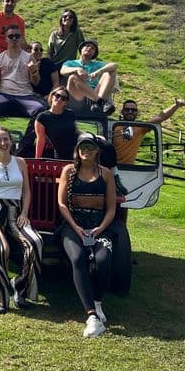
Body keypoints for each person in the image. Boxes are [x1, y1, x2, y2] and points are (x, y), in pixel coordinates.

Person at [0, 127, 43, 314]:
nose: (3, 143)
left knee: (35, 242)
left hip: (16, 211)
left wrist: (25, 213)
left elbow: (27, 190)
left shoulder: (20, 162)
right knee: (2, 248)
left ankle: (20, 286)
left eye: (6, 139)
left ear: (11, 142)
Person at [57, 133, 116, 338]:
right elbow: (62, 203)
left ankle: (98, 302)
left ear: (97, 150)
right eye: (82, 147)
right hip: (72, 226)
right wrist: (75, 226)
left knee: (103, 259)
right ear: (77, 150)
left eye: (90, 147)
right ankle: (91, 316)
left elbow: (111, 207)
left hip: (99, 225)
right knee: (77, 258)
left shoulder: (106, 174)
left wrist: (100, 228)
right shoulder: (69, 171)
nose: (86, 151)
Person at [0, 26, 46, 130]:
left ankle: (25, 144)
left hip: (25, 94)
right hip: (4, 93)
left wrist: (33, 72)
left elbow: (36, 82)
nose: (14, 39)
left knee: (41, 110)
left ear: (21, 38)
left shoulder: (29, 57)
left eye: (17, 36)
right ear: (6, 39)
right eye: (11, 36)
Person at [113, 98, 185, 164]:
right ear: (121, 111)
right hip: (110, 167)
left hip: (129, 169)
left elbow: (161, 117)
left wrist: (175, 106)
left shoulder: (140, 128)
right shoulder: (113, 127)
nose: (130, 112)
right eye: (127, 109)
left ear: (137, 112)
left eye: (133, 110)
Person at [60, 39, 118, 115]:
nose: (89, 48)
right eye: (87, 46)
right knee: (73, 76)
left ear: (95, 53)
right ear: (81, 49)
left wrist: (99, 71)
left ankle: (97, 102)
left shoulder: (98, 65)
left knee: (110, 72)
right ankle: (100, 102)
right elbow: (63, 71)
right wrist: (77, 69)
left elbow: (114, 65)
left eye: (93, 48)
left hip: (95, 93)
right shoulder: (71, 63)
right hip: (77, 96)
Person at [34, 86, 78, 159]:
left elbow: (76, 130)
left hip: (77, 152)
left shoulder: (70, 113)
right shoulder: (42, 117)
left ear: (66, 102)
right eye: (57, 96)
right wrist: (37, 159)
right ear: (52, 97)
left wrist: (89, 135)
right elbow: (41, 140)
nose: (60, 99)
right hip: (60, 155)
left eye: (63, 98)